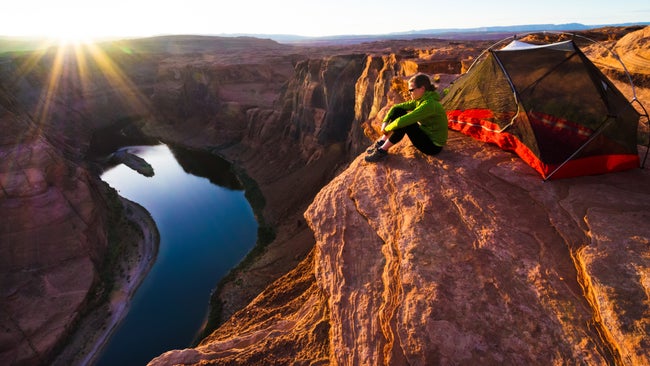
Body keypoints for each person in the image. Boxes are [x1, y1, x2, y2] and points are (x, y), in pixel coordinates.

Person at [365, 73, 448, 162]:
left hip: (433, 146)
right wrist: (385, 122)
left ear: (422, 88)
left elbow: (403, 121)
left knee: (405, 123)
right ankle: (381, 142)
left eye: (411, 90)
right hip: (426, 135)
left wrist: (386, 129)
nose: (409, 93)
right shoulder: (421, 99)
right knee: (399, 111)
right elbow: (396, 107)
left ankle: (381, 151)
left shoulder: (429, 104)